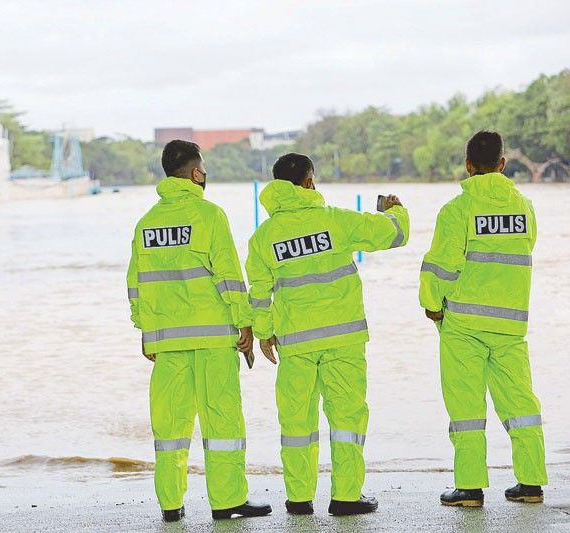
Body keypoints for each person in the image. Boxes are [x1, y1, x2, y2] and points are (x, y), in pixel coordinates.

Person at [245, 153, 409, 516]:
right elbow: (394, 235)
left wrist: (264, 334)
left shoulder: (263, 237)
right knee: (347, 420)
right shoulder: (335, 220)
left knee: (296, 424)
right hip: (343, 341)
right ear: (308, 182)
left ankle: (299, 499)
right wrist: (395, 210)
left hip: (296, 343)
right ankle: (346, 497)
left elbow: (259, 293)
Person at [126, 140, 272, 522]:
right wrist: (246, 323)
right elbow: (228, 275)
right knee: (222, 423)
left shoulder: (146, 224)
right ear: (195, 173)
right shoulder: (209, 215)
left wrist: (146, 331)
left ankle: (171, 506)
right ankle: (226, 503)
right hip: (212, 340)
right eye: (203, 168)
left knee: (170, 430)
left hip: (168, 345)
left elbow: (135, 285)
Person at [420, 131, 548, 507]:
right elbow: (527, 248)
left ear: (468, 165)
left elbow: (440, 268)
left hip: (463, 326)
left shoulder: (457, 210)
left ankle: (470, 488)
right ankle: (531, 483)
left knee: (467, 409)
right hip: (510, 325)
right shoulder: (524, 207)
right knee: (521, 404)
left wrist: (431, 304)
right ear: (502, 164)